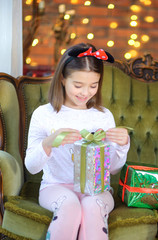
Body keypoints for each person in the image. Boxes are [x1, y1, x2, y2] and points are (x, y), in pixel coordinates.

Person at [25, 43, 130, 240]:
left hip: (98, 190)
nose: (85, 93)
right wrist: (49, 142)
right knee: (70, 205)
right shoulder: (44, 114)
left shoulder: (103, 116)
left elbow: (113, 169)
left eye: (93, 86)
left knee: (92, 206)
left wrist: (122, 145)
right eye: (78, 85)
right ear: (63, 79)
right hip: (55, 187)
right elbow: (31, 167)